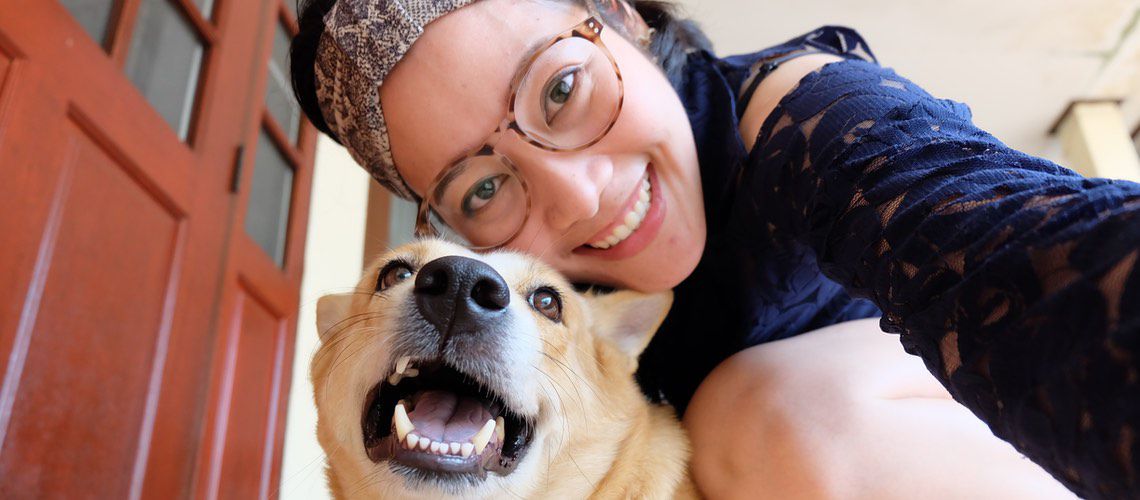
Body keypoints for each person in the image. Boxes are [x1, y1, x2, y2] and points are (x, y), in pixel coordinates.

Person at [290, 0, 1140, 497]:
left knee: (764, 409)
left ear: (621, 15)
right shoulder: (548, 334)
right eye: (482, 186)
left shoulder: (817, 123)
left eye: (560, 89)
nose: (582, 195)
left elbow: (1018, 253)